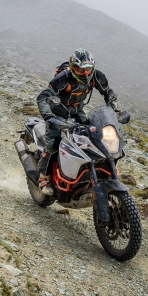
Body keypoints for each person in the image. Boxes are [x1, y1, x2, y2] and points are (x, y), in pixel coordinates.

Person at [35, 48, 118, 195]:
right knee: (53, 144)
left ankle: (88, 170)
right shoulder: (63, 77)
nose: (85, 73)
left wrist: (114, 109)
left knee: (93, 137)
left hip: (77, 110)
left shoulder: (96, 76)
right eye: (80, 70)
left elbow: (108, 92)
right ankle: (44, 178)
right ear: (73, 68)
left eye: (88, 69)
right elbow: (43, 96)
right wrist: (49, 117)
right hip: (57, 112)